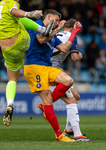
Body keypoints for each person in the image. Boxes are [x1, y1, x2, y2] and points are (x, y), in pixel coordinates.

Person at [0, 0, 54, 126]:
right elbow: (14, 11)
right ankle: (42, 29)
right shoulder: (9, 3)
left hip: (7, 50)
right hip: (21, 41)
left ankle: (10, 103)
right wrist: (29, 14)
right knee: (18, 19)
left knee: (12, 79)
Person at [24, 9, 82, 142]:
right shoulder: (38, 24)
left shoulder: (54, 35)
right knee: (48, 100)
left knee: (68, 80)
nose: (57, 23)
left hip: (47, 67)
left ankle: (45, 107)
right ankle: (59, 135)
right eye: (55, 20)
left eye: (57, 21)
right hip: (34, 67)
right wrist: (59, 28)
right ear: (48, 17)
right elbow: (41, 39)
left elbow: (65, 49)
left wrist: (74, 32)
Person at [38, 19, 93, 141]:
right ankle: (78, 134)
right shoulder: (70, 36)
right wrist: (81, 54)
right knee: (71, 100)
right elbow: (75, 57)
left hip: (49, 69)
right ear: (74, 28)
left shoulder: (58, 34)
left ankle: (68, 130)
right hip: (51, 72)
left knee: (76, 97)